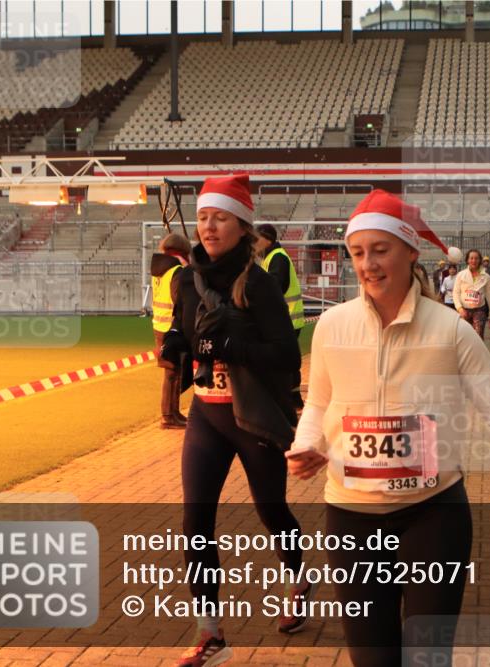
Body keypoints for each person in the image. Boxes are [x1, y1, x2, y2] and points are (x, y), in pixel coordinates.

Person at [285, 188, 490, 667]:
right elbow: (318, 402)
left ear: (409, 252)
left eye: (380, 250)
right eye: (358, 253)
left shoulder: (450, 330)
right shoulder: (332, 326)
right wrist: (305, 446)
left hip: (432, 515)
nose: (368, 264)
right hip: (351, 518)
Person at [158, 174, 310, 667]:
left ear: (243, 226)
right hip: (206, 414)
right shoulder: (185, 280)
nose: (209, 226)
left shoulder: (259, 281)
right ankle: (211, 633)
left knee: (272, 512)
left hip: (252, 417)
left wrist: (232, 348)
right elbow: (185, 336)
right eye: (203, 217)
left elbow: (288, 355)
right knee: (194, 522)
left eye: (220, 217)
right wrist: (178, 348)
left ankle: (297, 577)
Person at [150, 232, 191, 429]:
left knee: (174, 370)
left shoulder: (160, 268)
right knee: (172, 372)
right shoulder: (177, 269)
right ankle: (168, 415)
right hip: (172, 326)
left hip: (160, 324)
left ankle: (174, 412)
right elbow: (179, 299)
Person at [255, 223, 305, 336]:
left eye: (257, 239)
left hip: (286, 322)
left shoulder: (278, 257)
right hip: (283, 321)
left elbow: (273, 288)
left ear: (268, 240)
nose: (254, 243)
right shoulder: (269, 258)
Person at [454, 249, 490, 338]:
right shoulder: (460, 275)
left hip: (479, 310)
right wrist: (459, 308)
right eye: (471, 258)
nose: (474, 261)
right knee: (464, 337)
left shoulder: (486, 277)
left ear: (480, 260)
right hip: (464, 310)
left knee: (478, 337)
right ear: (467, 260)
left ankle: (477, 351)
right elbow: (456, 293)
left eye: (476, 258)